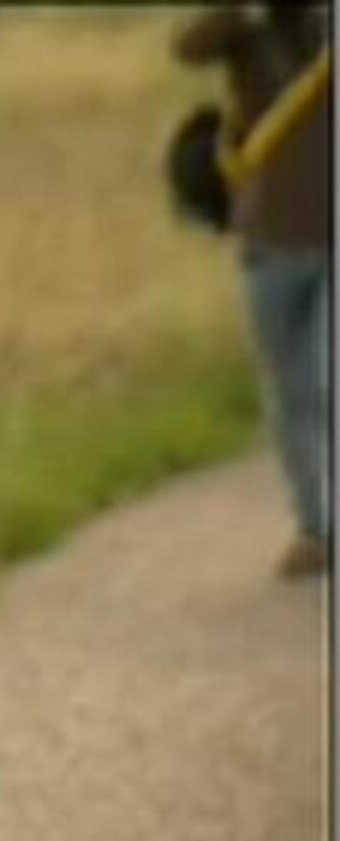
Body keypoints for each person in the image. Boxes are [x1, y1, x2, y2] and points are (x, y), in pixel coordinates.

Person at [175, 2, 332, 578]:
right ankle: (315, 528)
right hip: (269, 236)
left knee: (326, 380)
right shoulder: (246, 27)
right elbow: (187, 47)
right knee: (289, 391)